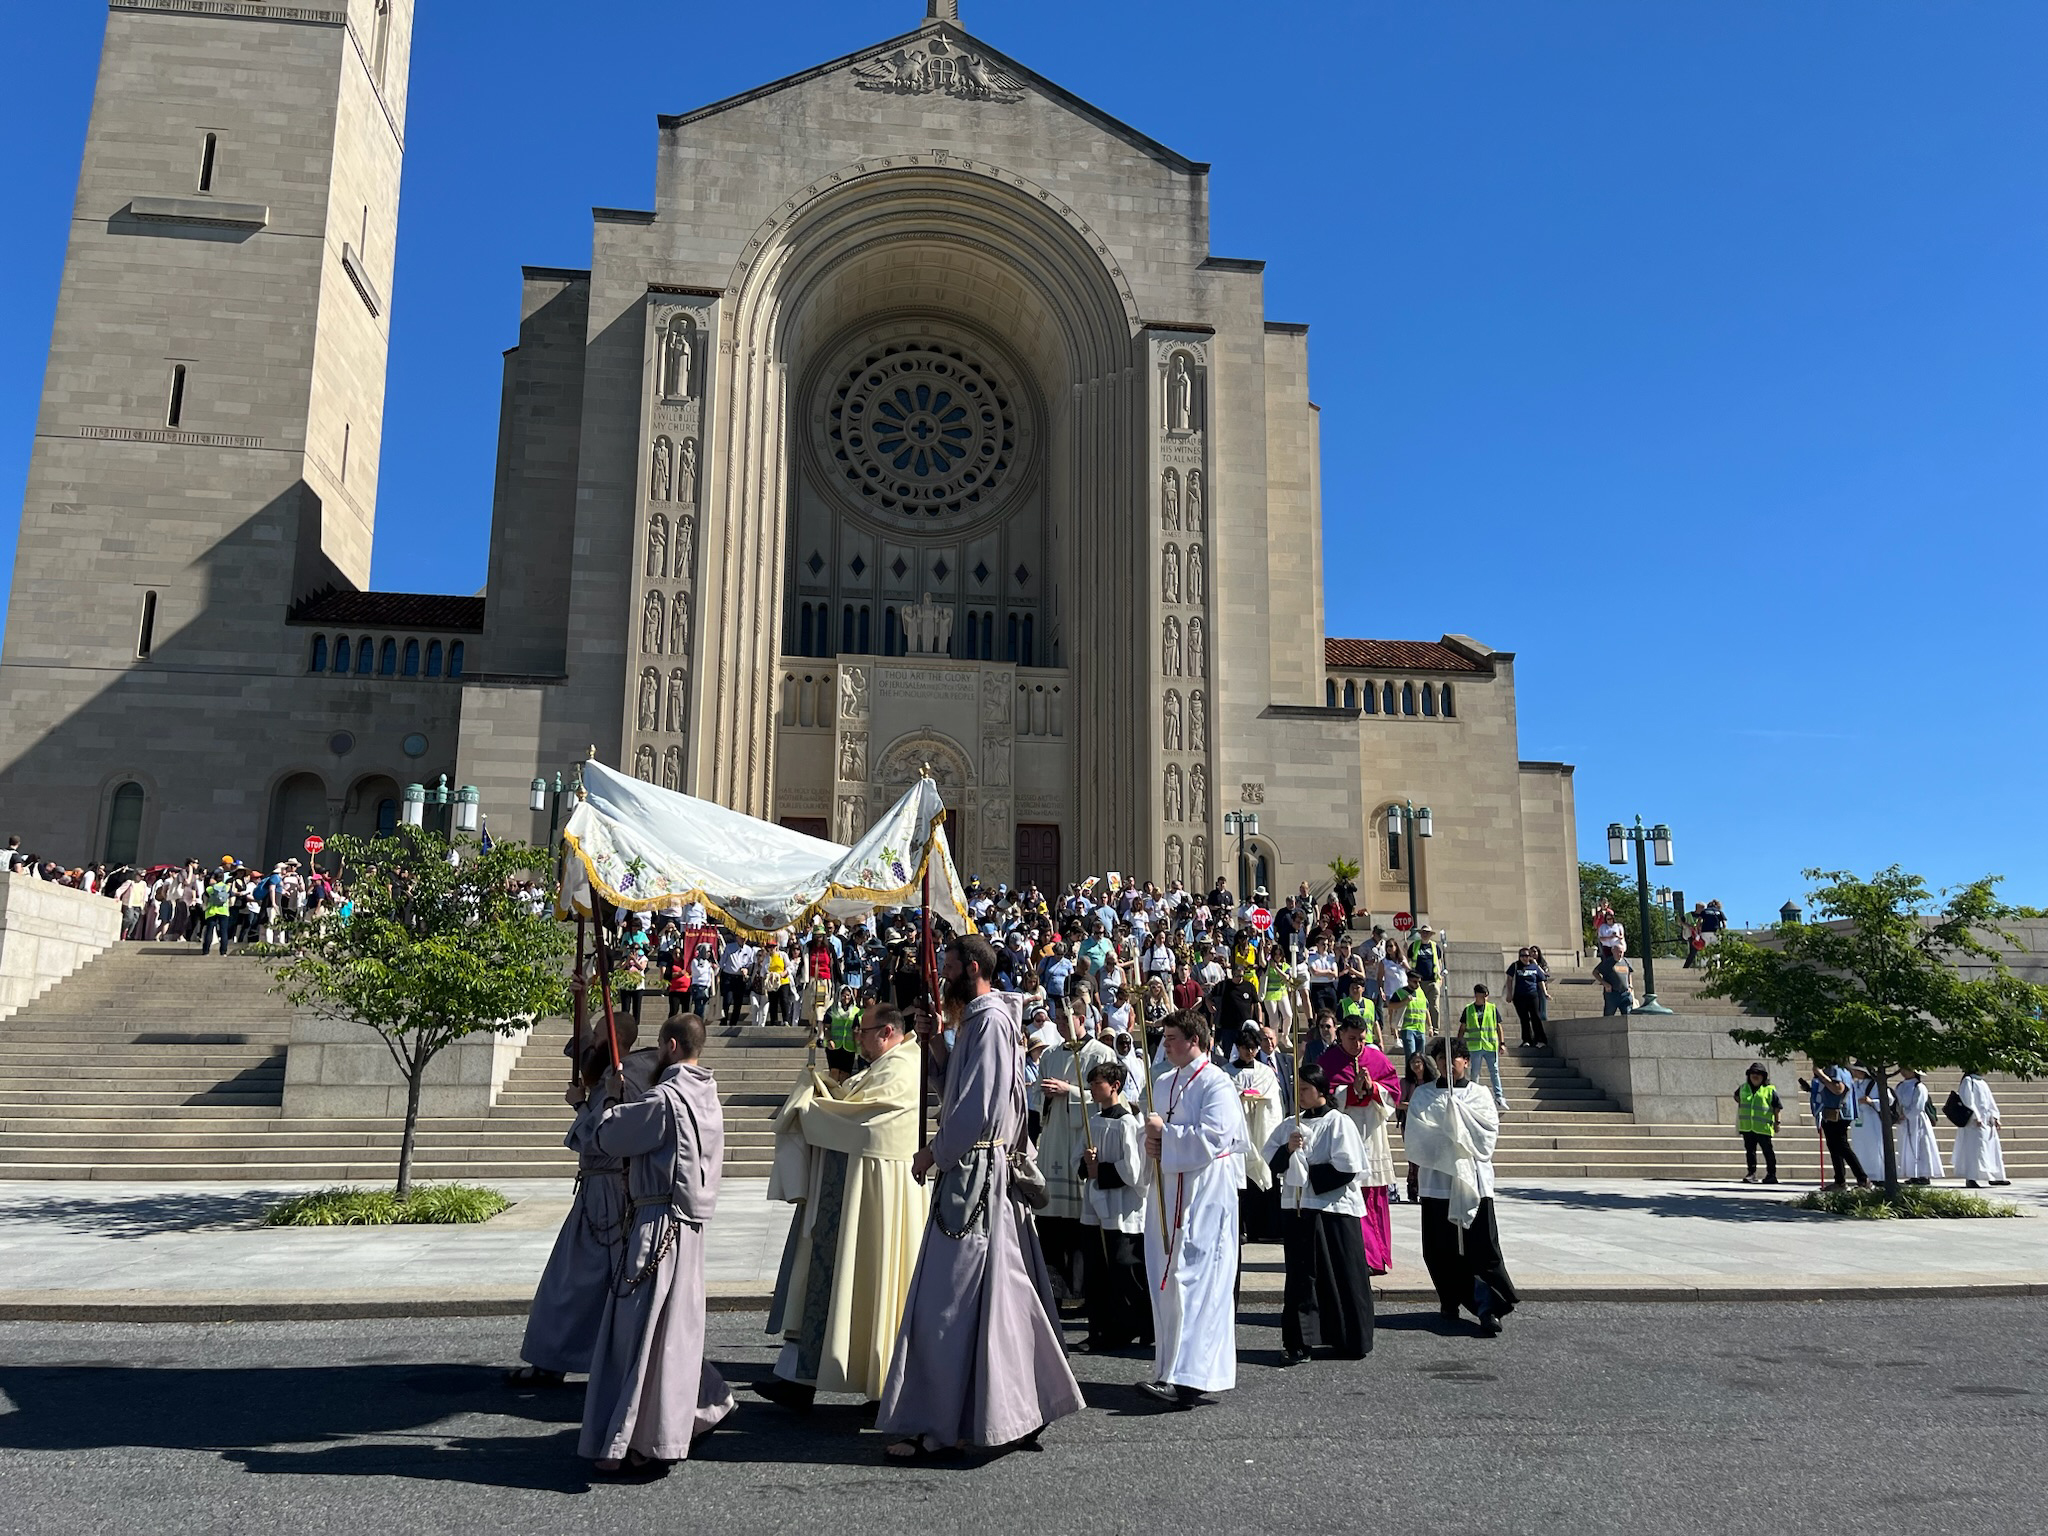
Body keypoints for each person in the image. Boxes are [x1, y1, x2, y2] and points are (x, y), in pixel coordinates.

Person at [877, 934, 1083, 1460]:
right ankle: (1014, 1408)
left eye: (947, 964)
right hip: (977, 1173)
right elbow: (959, 1090)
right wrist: (936, 1044)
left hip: (973, 1175)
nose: (940, 973)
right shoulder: (979, 1021)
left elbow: (975, 1112)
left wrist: (933, 1155)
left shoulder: (990, 1022)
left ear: (972, 967)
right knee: (1000, 1296)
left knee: (949, 1299)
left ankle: (942, 1423)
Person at [578, 1014, 735, 1477]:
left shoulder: (665, 1100)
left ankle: (637, 1437)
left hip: (657, 1220)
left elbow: (609, 1138)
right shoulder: (706, 1095)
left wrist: (606, 1099)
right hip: (690, 1225)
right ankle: (693, 1412)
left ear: (669, 1045)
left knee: (640, 1330)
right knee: (674, 1330)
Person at [757, 1001, 925, 1411]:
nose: (859, 1041)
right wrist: (825, 1088)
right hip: (851, 1186)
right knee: (824, 1277)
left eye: (864, 1033)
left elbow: (865, 1117)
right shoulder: (886, 1065)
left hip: (878, 1194)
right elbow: (854, 1099)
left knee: (869, 1278)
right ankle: (798, 1378)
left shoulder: (903, 1067)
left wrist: (810, 1108)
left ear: (886, 1032)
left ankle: (882, 1383)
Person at [511, 1040, 663, 1388]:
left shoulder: (626, 1078)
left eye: (597, 1038)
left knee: (573, 1281)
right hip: (600, 1195)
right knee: (577, 1282)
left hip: (608, 1200)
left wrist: (583, 1104)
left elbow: (599, 1137)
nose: (588, 1047)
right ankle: (558, 1359)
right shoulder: (612, 1076)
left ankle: (603, 1363)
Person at [1141, 1009, 1249, 1408]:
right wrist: (1151, 1142)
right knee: (1168, 1279)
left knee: (1195, 1279)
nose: (1165, 1044)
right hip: (1169, 1191)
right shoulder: (1164, 1081)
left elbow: (1214, 1137)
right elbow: (1150, 1133)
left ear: (1195, 1040)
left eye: (1172, 1038)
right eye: (1164, 1037)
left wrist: (1164, 1137)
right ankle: (1169, 1370)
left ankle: (1191, 1377)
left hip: (1204, 1193)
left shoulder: (1217, 1083)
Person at [1405, 1038, 1518, 1337]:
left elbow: (1486, 1134)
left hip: (1473, 1182)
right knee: (1439, 1248)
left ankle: (1487, 1307)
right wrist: (1447, 1134)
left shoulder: (1479, 1095)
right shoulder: (1423, 1096)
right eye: (1440, 1058)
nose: (1445, 1063)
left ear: (1466, 1061)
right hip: (1437, 1183)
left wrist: (1458, 1121)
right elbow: (1417, 1135)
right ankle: (1449, 1298)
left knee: (1480, 1247)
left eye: (1453, 1058)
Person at [1263, 1062, 1373, 1364]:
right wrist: (1288, 1150)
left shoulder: (1339, 1122)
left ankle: (1349, 1338)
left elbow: (1348, 1167)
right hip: (1299, 1209)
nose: (1300, 1095)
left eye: (1305, 1089)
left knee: (1342, 1274)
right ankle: (1300, 1341)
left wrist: (1308, 1173)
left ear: (1321, 1089)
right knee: (1301, 1277)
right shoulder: (1290, 1125)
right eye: (1297, 1089)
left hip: (1333, 1209)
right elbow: (1270, 1161)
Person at [1036, 1008, 1118, 1303]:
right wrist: (1046, 1094)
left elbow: (1107, 1099)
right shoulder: (1050, 1054)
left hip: (1082, 1136)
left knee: (1080, 1224)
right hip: (1054, 1136)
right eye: (1056, 1019)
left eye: (1065, 1019)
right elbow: (1037, 1098)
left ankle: (1082, 1292)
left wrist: (1068, 1089)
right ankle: (1054, 1290)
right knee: (1052, 1223)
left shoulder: (1100, 1054)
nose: (1059, 1024)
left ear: (1081, 1019)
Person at [1078, 1059, 1151, 1353]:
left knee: (1125, 1268)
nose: (1093, 1089)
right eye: (1092, 1083)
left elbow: (1135, 1172)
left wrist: (1101, 1171)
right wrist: (1086, 1164)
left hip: (1122, 1208)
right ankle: (1100, 1329)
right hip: (1096, 1206)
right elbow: (1079, 1163)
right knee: (1096, 1269)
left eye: (1098, 1084)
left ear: (1115, 1086)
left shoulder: (1128, 1124)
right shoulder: (1091, 1121)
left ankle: (1139, 1326)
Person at [1317, 1016, 1400, 1271]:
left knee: (1374, 1197)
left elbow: (1394, 1091)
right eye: (1352, 1039)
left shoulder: (1377, 1059)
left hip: (1372, 1135)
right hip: (1343, 1138)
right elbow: (1321, 1095)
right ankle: (1358, 1256)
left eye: (1362, 1039)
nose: (1357, 1044)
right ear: (1340, 1035)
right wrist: (1350, 1090)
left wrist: (1373, 1087)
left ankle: (1378, 1256)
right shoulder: (1327, 1062)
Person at [1225, 1023, 1284, 1247]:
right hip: (1240, 1130)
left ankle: (1266, 1229)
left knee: (1264, 1176)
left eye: (1254, 1048)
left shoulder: (1265, 1072)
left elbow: (1273, 1100)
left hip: (1260, 1128)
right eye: (1245, 1048)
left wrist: (1255, 1097)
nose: (1250, 1052)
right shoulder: (1227, 1073)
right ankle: (1242, 1228)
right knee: (1241, 1182)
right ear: (1238, 1048)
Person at [1805, 1063, 1870, 1190]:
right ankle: (1840, 1180)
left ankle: (1863, 1178)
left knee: (1842, 1146)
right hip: (1832, 1112)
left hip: (1838, 1113)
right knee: (1834, 1147)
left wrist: (1820, 1074)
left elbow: (1838, 1089)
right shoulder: (1839, 1069)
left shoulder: (1835, 1069)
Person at [1952, 1071, 2009, 1187]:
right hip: (1974, 1123)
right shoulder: (1968, 1081)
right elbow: (1968, 1100)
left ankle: (1995, 1176)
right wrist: (1976, 1116)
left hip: (1987, 1121)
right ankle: (1971, 1178)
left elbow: (1990, 1102)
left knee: (1991, 1149)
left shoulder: (1982, 1082)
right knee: (1975, 1150)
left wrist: (1995, 1117)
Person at [1457, 984, 1508, 1111]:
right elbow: (1462, 1028)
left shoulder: (1492, 1008)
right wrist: (1459, 1044)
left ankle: (1499, 1096)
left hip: (1490, 1045)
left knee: (1494, 1071)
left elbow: (1498, 1026)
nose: (1486, 998)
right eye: (1483, 996)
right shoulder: (1468, 1009)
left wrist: (1502, 1043)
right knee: (1474, 1073)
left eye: (1486, 995)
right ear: (1476, 995)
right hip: (1474, 1046)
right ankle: (1474, 1097)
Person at [1891, 1068, 1943, 1185]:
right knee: (1907, 1147)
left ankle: (1923, 1174)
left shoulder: (1919, 1087)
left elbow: (1918, 1105)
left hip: (1918, 1121)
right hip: (1904, 1121)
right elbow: (1896, 1101)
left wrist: (1907, 1114)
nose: (1904, 1072)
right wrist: (1898, 1114)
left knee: (1920, 1146)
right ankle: (1912, 1174)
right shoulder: (1900, 1086)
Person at [1733, 1062, 1781, 1184]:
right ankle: (1751, 1173)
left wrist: (1777, 1122)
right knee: (1750, 1151)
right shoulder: (1743, 1088)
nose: (1755, 1076)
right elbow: (1736, 1097)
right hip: (1747, 1127)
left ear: (1763, 1076)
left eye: (1758, 1074)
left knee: (1768, 1152)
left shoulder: (1769, 1090)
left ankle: (1771, 1174)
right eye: (1753, 1073)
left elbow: (1777, 1107)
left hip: (1763, 1127)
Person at [1505, 948, 1550, 1047]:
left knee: (1536, 1018)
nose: (1525, 958)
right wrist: (1509, 994)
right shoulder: (1515, 966)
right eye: (1522, 956)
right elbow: (1509, 980)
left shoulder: (1534, 967)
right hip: (1519, 996)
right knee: (1524, 1019)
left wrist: (1545, 993)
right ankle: (1527, 1040)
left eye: (1527, 956)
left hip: (1533, 995)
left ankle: (1540, 1040)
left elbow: (1540, 980)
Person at [822, 984, 863, 1076]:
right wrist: (829, 1039)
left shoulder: (856, 1011)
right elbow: (826, 1027)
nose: (846, 997)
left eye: (848, 995)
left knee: (846, 1073)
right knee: (834, 1072)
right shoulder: (832, 1009)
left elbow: (857, 1028)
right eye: (843, 995)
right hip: (834, 1045)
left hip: (849, 1047)